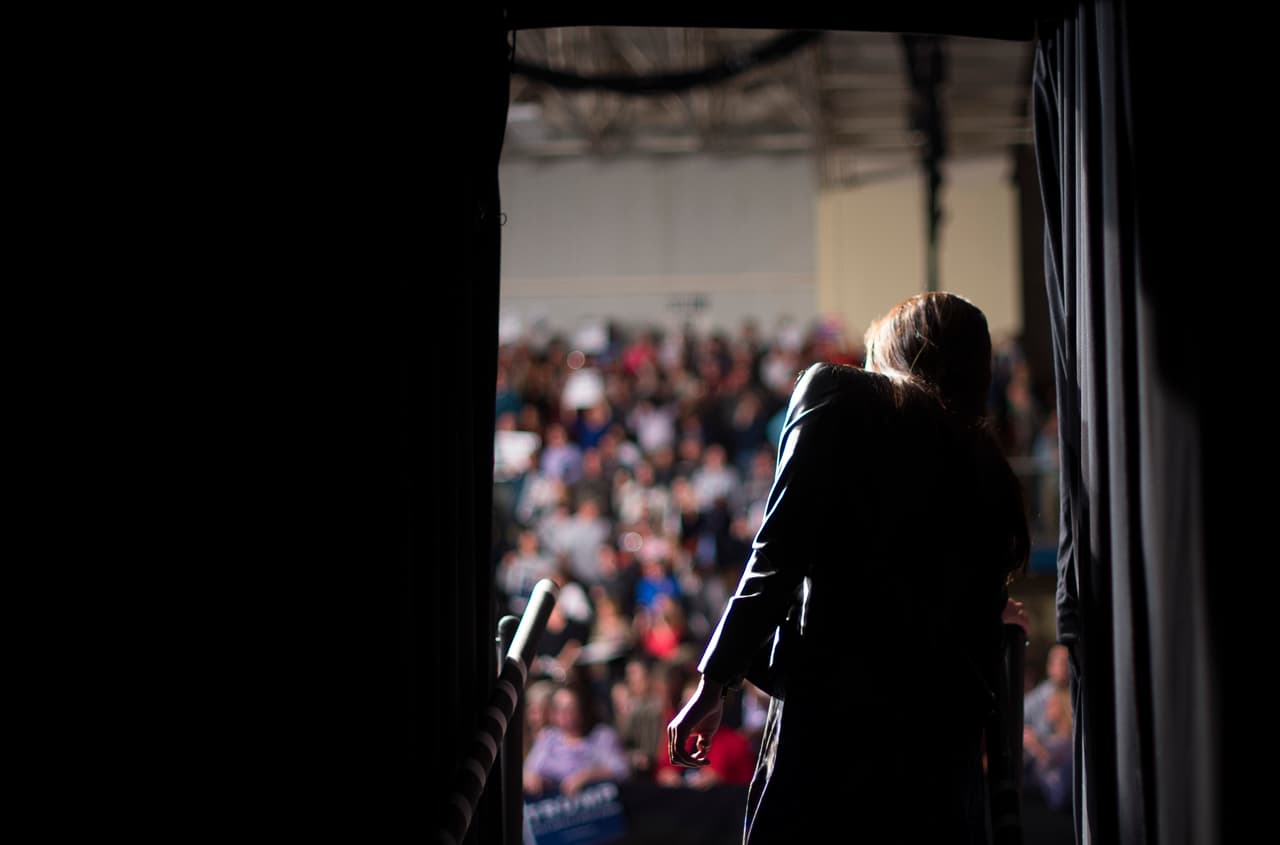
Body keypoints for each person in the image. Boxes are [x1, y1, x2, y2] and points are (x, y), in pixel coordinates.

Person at [667, 292, 1030, 843]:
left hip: (834, 732)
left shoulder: (838, 392)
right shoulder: (988, 467)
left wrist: (714, 682)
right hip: (938, 754)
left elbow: (778, 550)